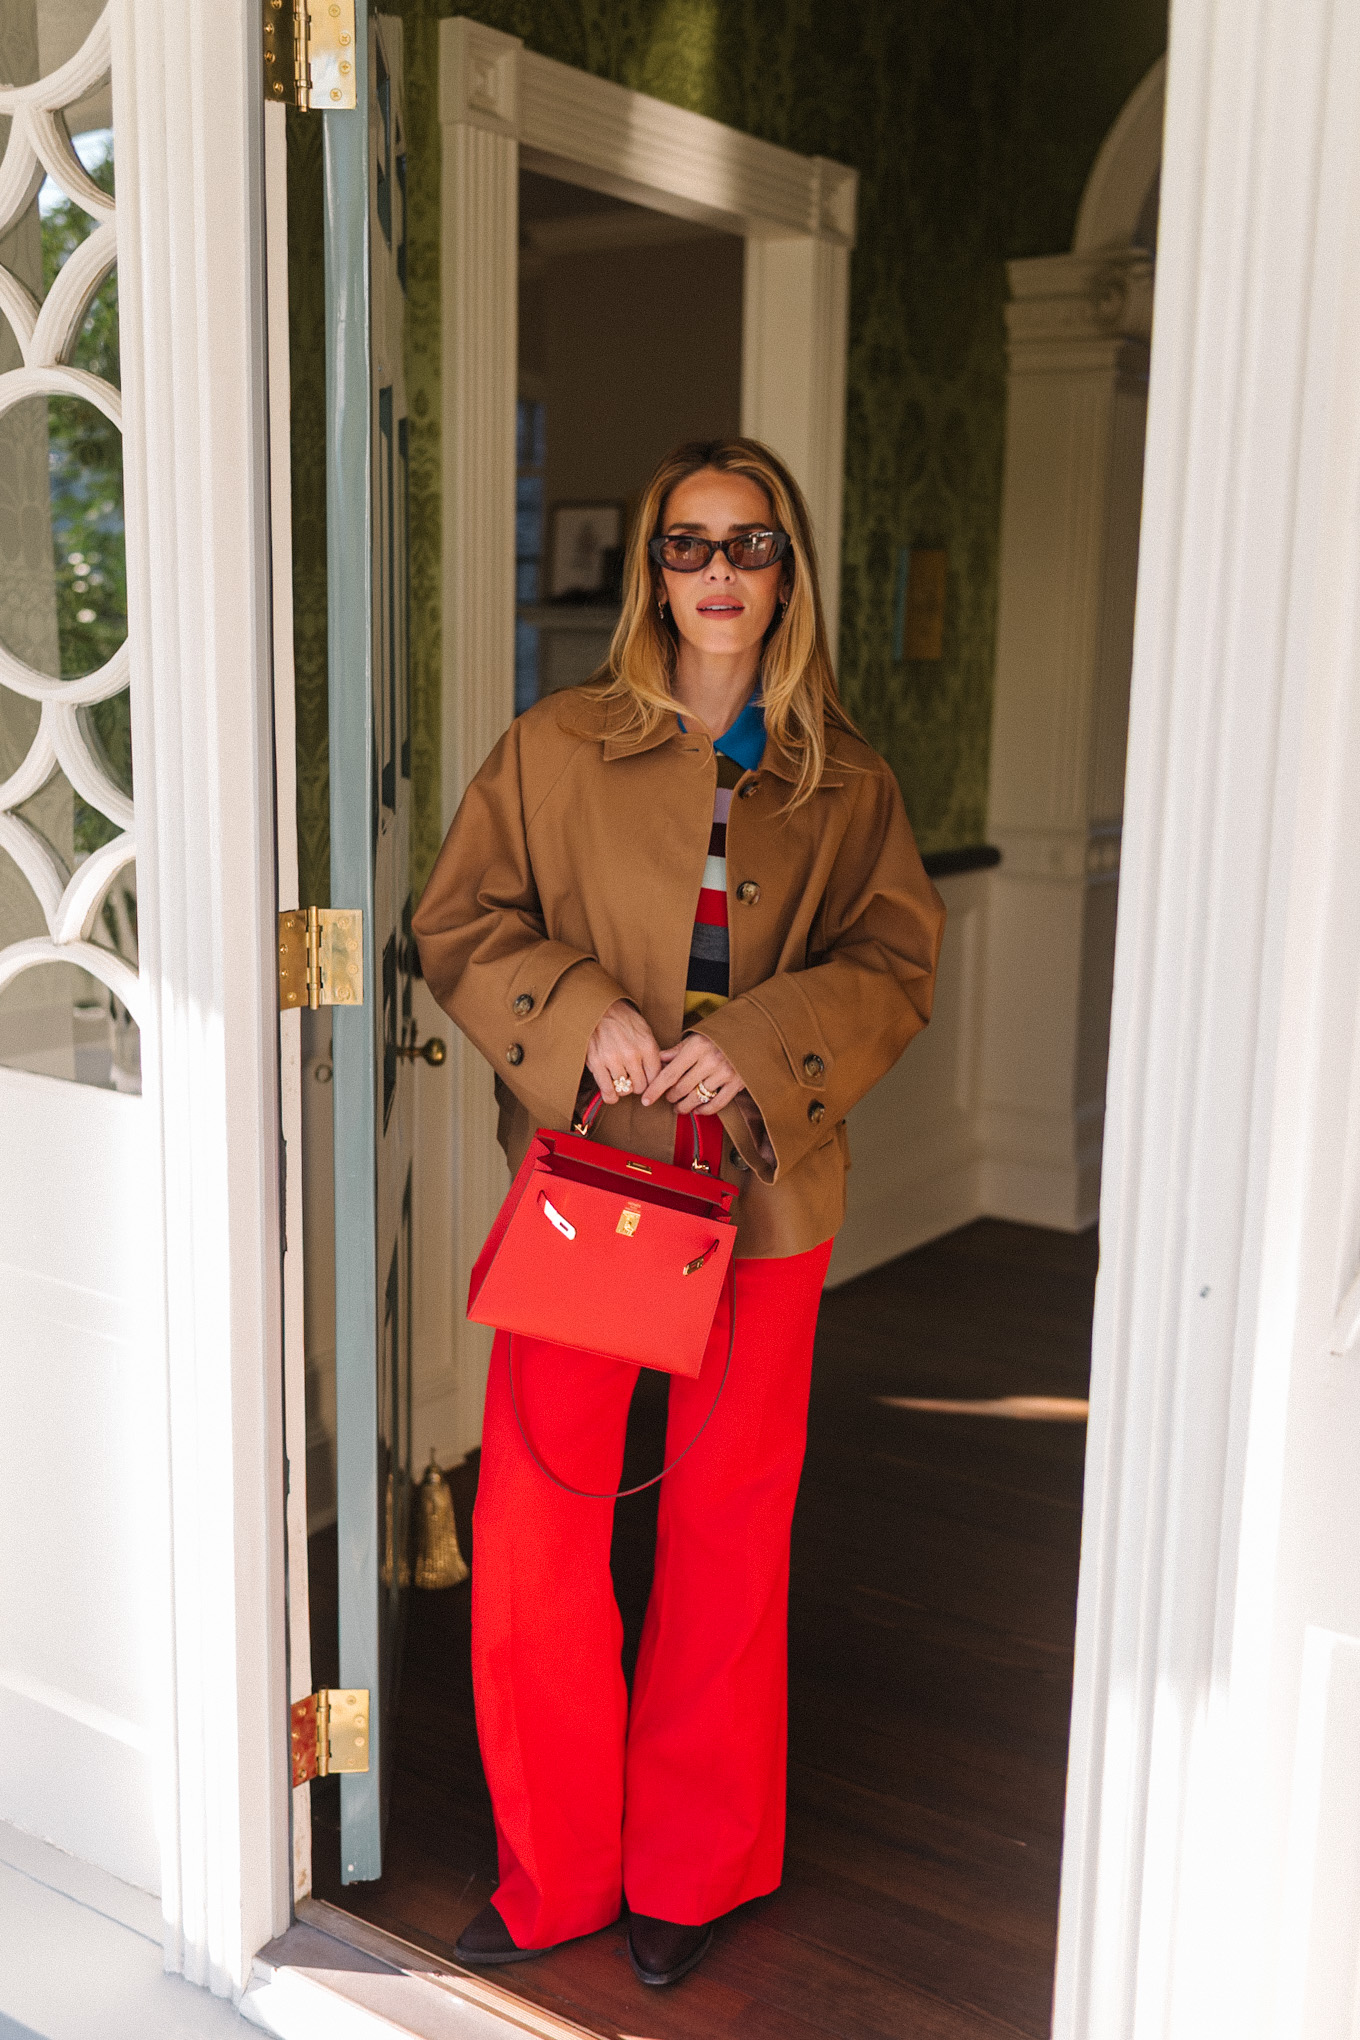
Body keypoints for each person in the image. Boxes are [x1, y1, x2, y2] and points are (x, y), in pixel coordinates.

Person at [413, 437, 944, 1989]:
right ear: (653, 570)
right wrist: (578, 1014)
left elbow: (894, 966)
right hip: (596, 1191)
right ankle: (557, 1871)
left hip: (766, 1194)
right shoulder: (556, 746)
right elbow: (461, 918)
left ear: (790, 574)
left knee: (726, 1533)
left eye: (752, 546)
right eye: (689, 546)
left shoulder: (848, 778)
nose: (720, 576)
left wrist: (763, 1047)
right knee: (533, 1529)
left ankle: (695, 1868)